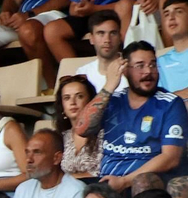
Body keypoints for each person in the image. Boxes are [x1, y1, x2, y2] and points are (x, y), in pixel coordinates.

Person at [79, 42, 188, 188]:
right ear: (124, 70)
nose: (148, 72)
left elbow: (170, 158)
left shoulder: (170, 104)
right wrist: (109, 85)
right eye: (140, 65)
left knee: (142, 184)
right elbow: (82, 129)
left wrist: (125, 181)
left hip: (146, 186)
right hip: (108, 183)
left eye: (152, 65)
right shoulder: (112, 100)